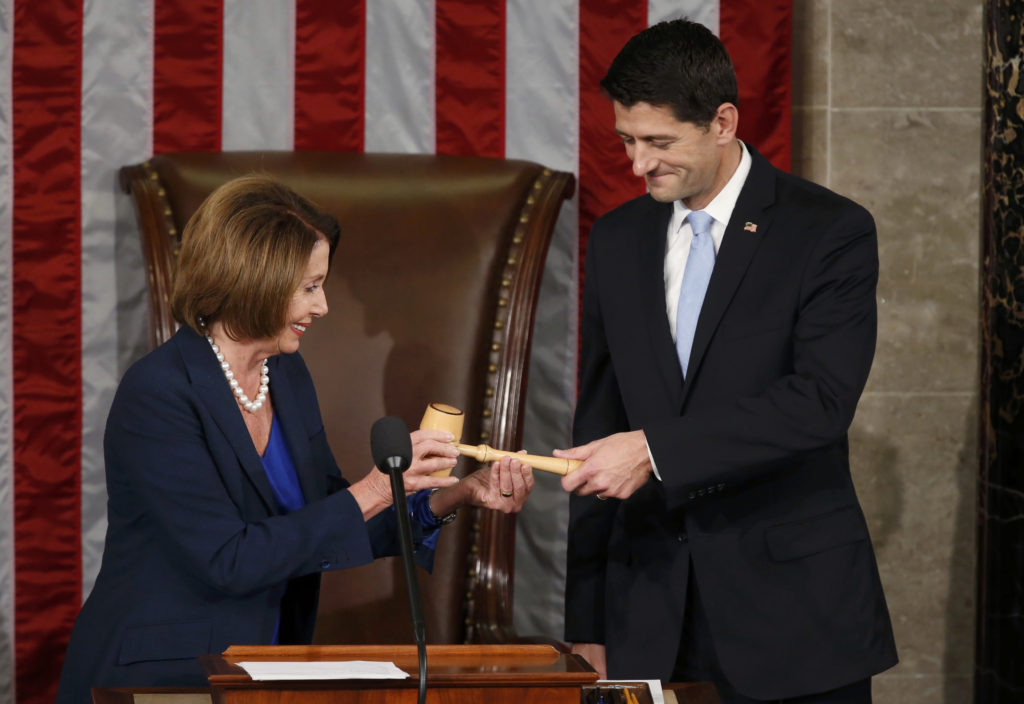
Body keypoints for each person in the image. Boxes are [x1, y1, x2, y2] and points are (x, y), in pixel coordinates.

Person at [56, 175, 534, 703]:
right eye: (309, 286)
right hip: (161, 676)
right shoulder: (159, 393)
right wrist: (374, 489)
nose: (323, 305)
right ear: (253, 279)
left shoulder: (285, 375)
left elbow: (329, 519)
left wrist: (453, 494)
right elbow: (228, 559)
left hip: (262, 668)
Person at [553, 19, 897, 703]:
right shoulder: (619, 240)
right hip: (649, 614)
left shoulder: (828, 231)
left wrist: (653, 451)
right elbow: (600, 421)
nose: (637, 165)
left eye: (658, 143)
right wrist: (586, 622)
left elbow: (820, 404)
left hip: (792, 618)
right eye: (627, 141)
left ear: (722, 121)